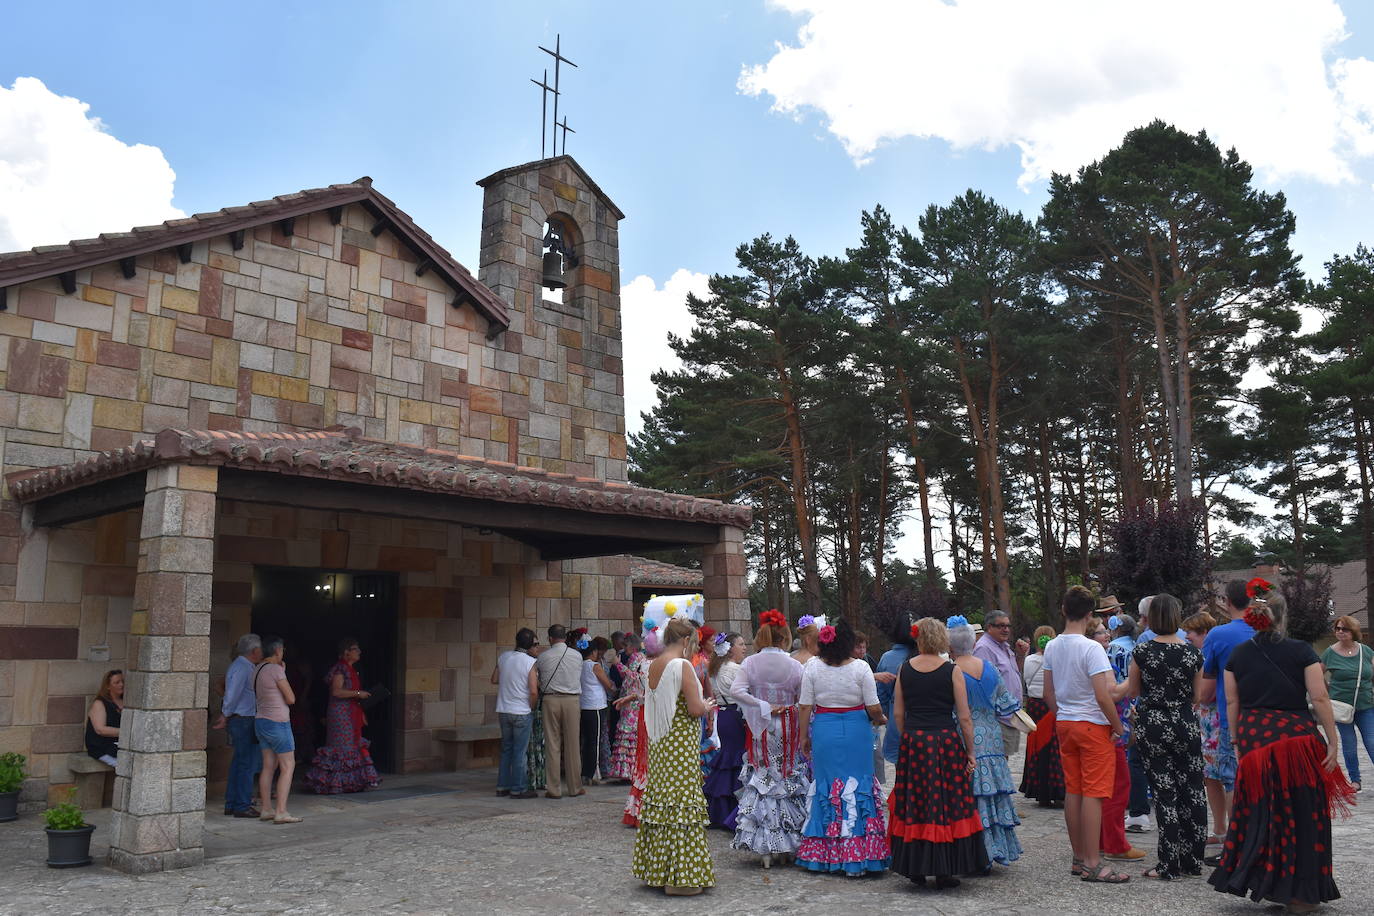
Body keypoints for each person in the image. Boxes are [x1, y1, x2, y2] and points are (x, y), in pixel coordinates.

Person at [1209, 584, 1355, 911]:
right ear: (1281, 617)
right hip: (1296, 740)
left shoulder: (1238, 654)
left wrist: (1235, 740)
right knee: (1303, 813)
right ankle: (1301, 893)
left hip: (1254, 739)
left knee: (1264, 813)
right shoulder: (1302, 650)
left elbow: (1233, 700)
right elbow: (1318, 697)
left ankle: (1269, 885)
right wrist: (1332, 739)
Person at [889, 616, 989, 888]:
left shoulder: (904, 669)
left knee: (916, 802)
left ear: (918, 638)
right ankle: (945, 870)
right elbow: (964, 717)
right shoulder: (951, 669)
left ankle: (916, 869)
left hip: (914, 741)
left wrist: (910, 734)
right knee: (947, 803)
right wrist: (970, 752)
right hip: (945, 741)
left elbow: (898, 712)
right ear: (941, 639)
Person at [1112, 594, 1206, 879]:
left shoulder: (1142, 652)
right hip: (1185, 724)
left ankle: (1169, 863)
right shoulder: (1193, 653)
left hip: (1153, 723)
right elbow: (1198, 696)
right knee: (1192, 790)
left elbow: (1133, 692)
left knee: (1165, 793)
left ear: (1151, 618)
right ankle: (1192, 860)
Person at [1044, 585, 1128, 884]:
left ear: (1064, 610)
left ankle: (1079, 857)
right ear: (1090, 614)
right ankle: (1093, 862)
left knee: (1074, 790)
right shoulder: (1092, 648)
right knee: (1094, 794)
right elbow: (1104, 695)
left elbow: (1047, 692)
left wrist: (1062, 715)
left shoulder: (1052, 646)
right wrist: (1118, 728)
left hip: (1066, 722)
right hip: (1092, 724)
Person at [795, 618, 890, 876]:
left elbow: (805, 705)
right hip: (856, 730)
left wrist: (804, 736)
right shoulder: (861, 668)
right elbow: (873, 706)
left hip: (824, 727)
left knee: (827, 786)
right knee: (858, 785)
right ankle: (860, 853)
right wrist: (881, 719)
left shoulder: (812, 667)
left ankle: (826, 854)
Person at [631, 618, 717, 896]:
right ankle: (682, 878)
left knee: (662, 803)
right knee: (682, 806)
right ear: (684, 640)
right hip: (680, 746)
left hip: (660, 744)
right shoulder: (682, 665)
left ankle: (658, 871)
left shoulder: (653, 664)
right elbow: (693, 708)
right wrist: (706, 705)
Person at [730, 610, 808, 867]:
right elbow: (804, 698)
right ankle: (787, 843)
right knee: (786, 776)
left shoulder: (750, 663)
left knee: (763, 776)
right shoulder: (795, 665)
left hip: (760, 727)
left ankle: (765, 845)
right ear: (784, 636)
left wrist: (761, 705)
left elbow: (736, 691)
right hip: (788, 725)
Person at [948, 617, 1022, 867]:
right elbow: (1007, 701)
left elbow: (953, 710)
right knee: (992, 792)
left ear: (950, 646)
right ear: (973, 641)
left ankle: (974, 852)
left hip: (964, 734)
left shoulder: (951, 670)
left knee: (972, 792)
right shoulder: (989, 667)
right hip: (992, 733)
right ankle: (996, 849)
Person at [1199, 579, 1255, 837]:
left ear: (1227, 602)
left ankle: (1236, 841)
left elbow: (1207, 687)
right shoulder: (1268, 632)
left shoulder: (1218, 635)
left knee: (1232, 780)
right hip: (1265, 717)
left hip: (1229, 718)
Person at [304, 637, 381, 795]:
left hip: (351, 712)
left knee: (353, 745)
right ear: (346, 652)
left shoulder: (352, 669)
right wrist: (358, 693)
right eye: (355, 649)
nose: (359, 652)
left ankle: (351, 782)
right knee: (341, 747)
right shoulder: (340, 669)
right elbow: (336, 691)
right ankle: (335, 783)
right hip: (341, 714)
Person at [1183, 610, 1227, 845]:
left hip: (1214, 720)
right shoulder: (1202, 654)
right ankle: (1220, 829)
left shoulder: (1209, 655)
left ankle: (1225, 829)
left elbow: (1206, 694)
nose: (1188, 639)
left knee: (1220, 777)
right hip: (1207, 720)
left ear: (1204, 633)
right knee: (1211, 778)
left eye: (1191, 635)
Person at [1322, 614, 1374, 791]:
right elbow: (1317, 673)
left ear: (1353, 632)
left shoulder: (1366, 652)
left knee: (1372, 741)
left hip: (1366, 705)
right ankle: (1355, 780)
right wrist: (1326, 691)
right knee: (1349, 743)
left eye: (1344, 629)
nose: (1340, 632)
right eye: (1337, 628)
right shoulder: (1329, 653)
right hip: (1341, 707)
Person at [254, 635, 300, 824]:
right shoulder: (275, 670)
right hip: (278, 722)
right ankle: (281, 811)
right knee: (288, 765)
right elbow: (291, 698)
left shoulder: (258, 668)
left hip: (261, 720)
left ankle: (266, 809)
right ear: (277, 650)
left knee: (268, 766)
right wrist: (283, 674)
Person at [215, 633, 263, 818]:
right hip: (243, 719)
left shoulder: (242, 666)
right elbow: (232, 694)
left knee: (239, 763)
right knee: (246, 764)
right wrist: (225, 714)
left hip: (241, 718)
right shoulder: (243, 667)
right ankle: (242, 805)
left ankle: (232, 802)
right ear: (254, 650)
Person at [534, 623, 583, 799]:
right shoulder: (577, 656)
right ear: (565, 637)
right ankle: (575, 787)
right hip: (571, 700)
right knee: (572, 744)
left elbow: (538, 679)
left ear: (550, 638)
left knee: (552, 744)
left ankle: (554, 789)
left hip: (551, 699)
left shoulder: (543, 657)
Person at [704, 632, 745, 830]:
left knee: (727, 761)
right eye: (741, 644)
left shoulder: (715, 669)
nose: (744, 648)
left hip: (723, 716)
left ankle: (720, 810)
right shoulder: (735, 669)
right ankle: (734, 810)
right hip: (736, 716)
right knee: (736, 761)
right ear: (730, 649)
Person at [1020, 625, 1065, 808]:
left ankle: (1039, 789)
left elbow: (1026, 680)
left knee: (1036, 746)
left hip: (1034, 706)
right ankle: (1056, 788)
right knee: (1053, 746)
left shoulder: (1029, 660)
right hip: (1051, 705)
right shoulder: (1057, 660)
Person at [492, 627, 539, 799]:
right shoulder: (529, 662)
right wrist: (531, 707)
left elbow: (494, 679)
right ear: (529, 644)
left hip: (504, 709)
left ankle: (502, 786)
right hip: (521, 710)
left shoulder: (503, 657)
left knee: (506, 749)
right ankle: (518, 788)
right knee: (520, 751)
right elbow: (533, 691)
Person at [876, 616, 914, 777]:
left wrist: (885, 717)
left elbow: (881, 694)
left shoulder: (887, 658)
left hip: (897, 721)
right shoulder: (931, 657)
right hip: (928, 724)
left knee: (902, 773)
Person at [608, 634, 646, 784]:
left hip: (632, 701)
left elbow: (632, 677)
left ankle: (629, 770)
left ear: (632, 646)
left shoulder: (637, 657)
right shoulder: (637, 657)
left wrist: (618, 664)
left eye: (626, 646)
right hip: (630, 700)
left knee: (628, 733)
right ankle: (628, 770)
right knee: (628, 734)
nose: (624, 649)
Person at [577, 634, 615, 785]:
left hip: (584, 705)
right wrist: (614, 689)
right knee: (595, 741)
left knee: (587, 740)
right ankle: (594, 773)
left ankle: (586, 771)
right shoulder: (595, 666)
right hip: (596, 705)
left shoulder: (579, 664)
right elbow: (607, 684)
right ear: (593, 653)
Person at [973, 610, 1028, 706]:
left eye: (1008, 626)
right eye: (1001, 626)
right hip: (1000, 715)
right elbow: (982, 686)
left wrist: (1020, 655)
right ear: (989, 627)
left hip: (1012, 710)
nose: (1006, 630)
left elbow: (1012, 674)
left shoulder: (1004, 646)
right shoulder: (983, 648)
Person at [85, 669, 124, 767]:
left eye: (122, 681)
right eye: (117, 682)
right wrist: (127, 733)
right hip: (101, 747)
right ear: (107, 686)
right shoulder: (99, 703)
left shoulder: (125, 701)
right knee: (125, 767)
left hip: (119, 745)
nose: (121, 685)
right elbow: (100, 729)